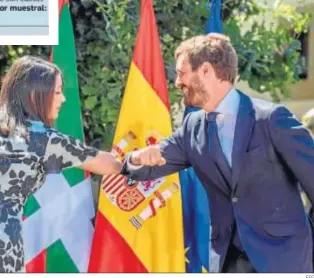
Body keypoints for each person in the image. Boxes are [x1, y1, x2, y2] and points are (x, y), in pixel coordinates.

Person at [121, 33, 314, 273]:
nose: (177, 83)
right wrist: (135, 159)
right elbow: (152, 163)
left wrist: (304, 246)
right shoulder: (193, 127)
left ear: (205, 71)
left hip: (285, 261)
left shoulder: (272, 119)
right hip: (227, 262)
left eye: (181, 73)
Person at [0, 55, 123, 273]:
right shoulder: (46, 139)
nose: (63, 99)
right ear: (34, 95)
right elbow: (111, 165)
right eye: (57, 92)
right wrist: (136, 157)